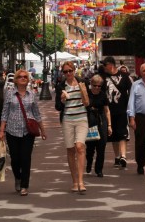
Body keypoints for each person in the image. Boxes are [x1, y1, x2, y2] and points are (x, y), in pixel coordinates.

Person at [0, 69, 46, 196]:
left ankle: (24, 185)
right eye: (20, 76)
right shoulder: (9, 94)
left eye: (25, 76)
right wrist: (1, 130)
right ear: (16, 79)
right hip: (12, 131)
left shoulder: (32, 94)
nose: (23, 78)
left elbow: (36, 113)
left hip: (27, 131)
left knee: (26, 158)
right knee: (15, 159)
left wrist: (42, 129)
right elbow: (4, 113)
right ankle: (18, 178)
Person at [55, 61, 89, 193]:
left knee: (79, 147)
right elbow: (57, 107)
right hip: (68, 120)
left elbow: (89, 101)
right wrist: (62, 100)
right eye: (65, 71)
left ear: (74, 70)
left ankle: (81, 181)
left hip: (82, 119)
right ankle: (74, 181)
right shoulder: (61, 86)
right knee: (70, 150)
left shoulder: (82, 82)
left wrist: (85, 95)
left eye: (70, 70)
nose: (68, 73)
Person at [102, 56, 132, 169]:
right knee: (113, 136)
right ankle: (117, 156)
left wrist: (131, 108)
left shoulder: (124, 77)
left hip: (122, 110)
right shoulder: (104, 77)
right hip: (109, 111)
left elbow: (131, 90)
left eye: (105, 65)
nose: (103, 67)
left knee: (123, 134)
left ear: (110, 65)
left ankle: (123, 156)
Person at [85, 74, 111, 178]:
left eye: (99, 86)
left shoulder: (103, 95)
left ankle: (99, 169)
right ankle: (89, 162)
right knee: (90, 147)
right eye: (95, 85)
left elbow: (107, 110)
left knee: (101, 146)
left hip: (101, 121)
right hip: (90, 121)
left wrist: (109, 125)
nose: (97, 88)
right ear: (91, 84)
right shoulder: (87, 94)